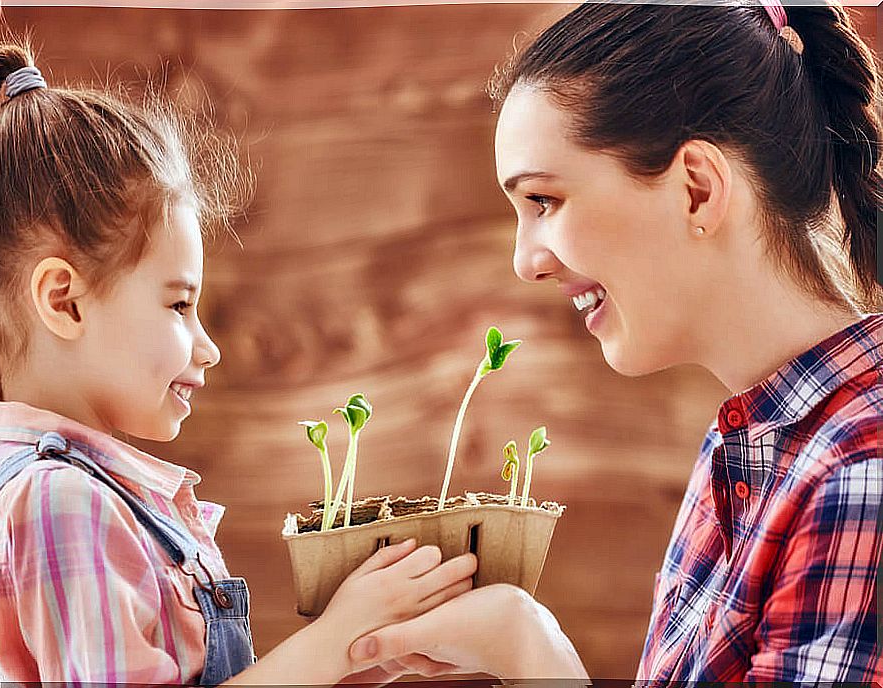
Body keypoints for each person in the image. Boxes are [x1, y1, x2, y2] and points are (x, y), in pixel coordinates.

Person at [346, 0, 882, 682]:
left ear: (695, 190)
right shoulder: (745, 447)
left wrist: (532, 656)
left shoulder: (859, 477)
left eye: (544, 201)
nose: (526, 261)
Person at [0, 42, 483, 685]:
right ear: (64, 302)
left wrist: (358, 656)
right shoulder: (58, 504)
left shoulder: (86, 500)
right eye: (180, 304)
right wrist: (334, 640)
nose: (207, 346)